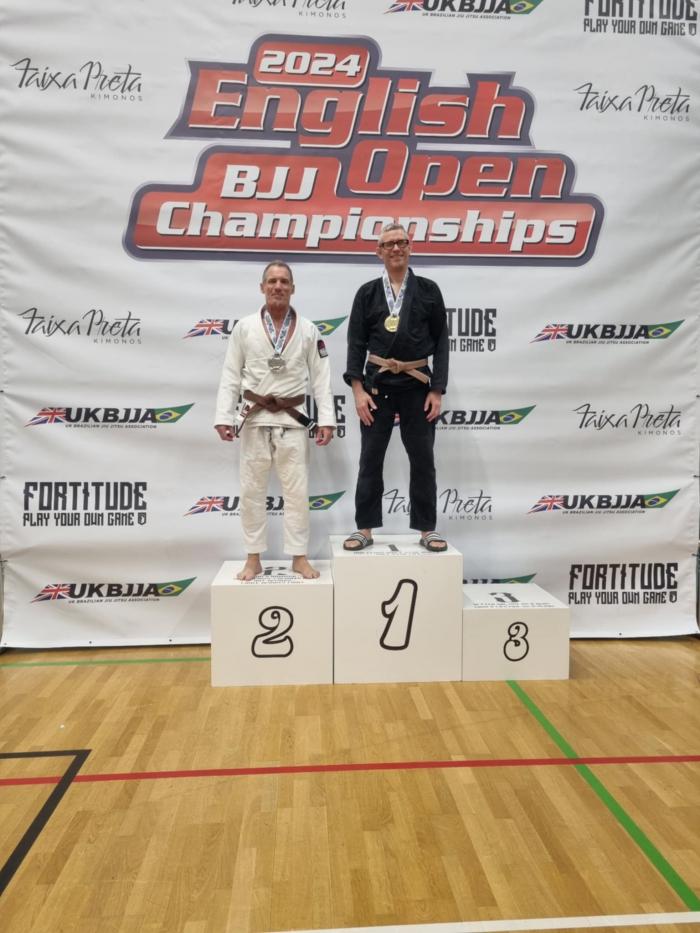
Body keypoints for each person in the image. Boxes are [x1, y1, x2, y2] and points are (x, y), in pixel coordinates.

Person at [215, 261, 335, 580]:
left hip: (293, 421)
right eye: (272, 281)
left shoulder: (308, 330)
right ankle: (253, 558)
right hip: (254, 419)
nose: (278, 286)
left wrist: (326, 419)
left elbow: (321, 378)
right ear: (262, 287)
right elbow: (230, 374)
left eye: (284, 281)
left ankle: (299, 556)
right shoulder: (244, 327)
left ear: (293, 288)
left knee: (297, 492)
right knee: (252, 491)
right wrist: (223, 416)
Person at [343, 223, 449, 552]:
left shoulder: (429, 290)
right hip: (377, 387)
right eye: (388, 244)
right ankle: (364, 528)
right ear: (379, 252)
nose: (396, 248)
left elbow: (442, 342)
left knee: (423, 459)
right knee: (370, 458)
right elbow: (355, 343)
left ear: (410, 247)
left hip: (418, 387)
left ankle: (427, 529)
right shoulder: (367, 293)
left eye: (401, 242)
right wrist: (358, 391)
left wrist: (437, 389)